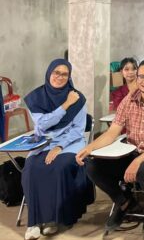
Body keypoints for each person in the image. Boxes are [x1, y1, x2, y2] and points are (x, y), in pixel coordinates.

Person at [77, 60, 144, 234]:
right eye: (142, 77)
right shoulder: (129, 99)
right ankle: (123, 201)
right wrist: (90, 148)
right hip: (132, 150)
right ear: (137, 78)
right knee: (92, 166)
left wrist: (137, 162)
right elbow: (112, 132)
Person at [22, 59, 94, 240]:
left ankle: (52, 219)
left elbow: (78, 130)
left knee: (58, 167)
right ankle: (33, 222)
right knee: (31, 168)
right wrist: (65, 105)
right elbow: (42, 125)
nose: (60, 77)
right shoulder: (36, 97)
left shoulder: (78, 98)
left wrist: (60, 147)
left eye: (64, 74)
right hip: (44, 141)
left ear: (69, 77)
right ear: (49, 73)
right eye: (56, 72)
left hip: (71, 142)